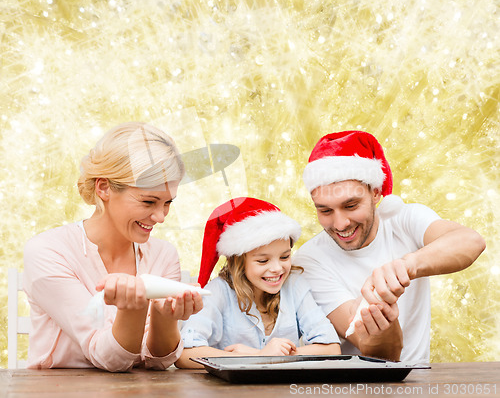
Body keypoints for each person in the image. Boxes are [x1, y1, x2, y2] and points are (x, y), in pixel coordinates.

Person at [23, 122, 203, 371]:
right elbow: (107, 358)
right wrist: (134, 308)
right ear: (104, 187)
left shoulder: (164, 254)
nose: (161, 217)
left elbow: (157, 362)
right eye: (149, 201)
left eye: (167, 203)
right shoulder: (48, 251)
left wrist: (165, 317)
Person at [293, 130, 486, 363]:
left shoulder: (404, 220)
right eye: (325, 210)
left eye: (351, 205)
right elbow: (377, 354)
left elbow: (471, 241)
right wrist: (383, 320)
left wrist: (406, 265)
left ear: (375, 192)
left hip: (419, 381)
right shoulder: (309, 261)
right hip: (351, 387)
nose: (340, 223)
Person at [175, 197, 341, 369]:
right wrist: (260, 355)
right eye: (263, 261)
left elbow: (332, 349)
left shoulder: (294, 285)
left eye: (285, 257)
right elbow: (186, 355)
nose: (277, 268)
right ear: (239, 261)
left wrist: (268, 357)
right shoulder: (218, 291)